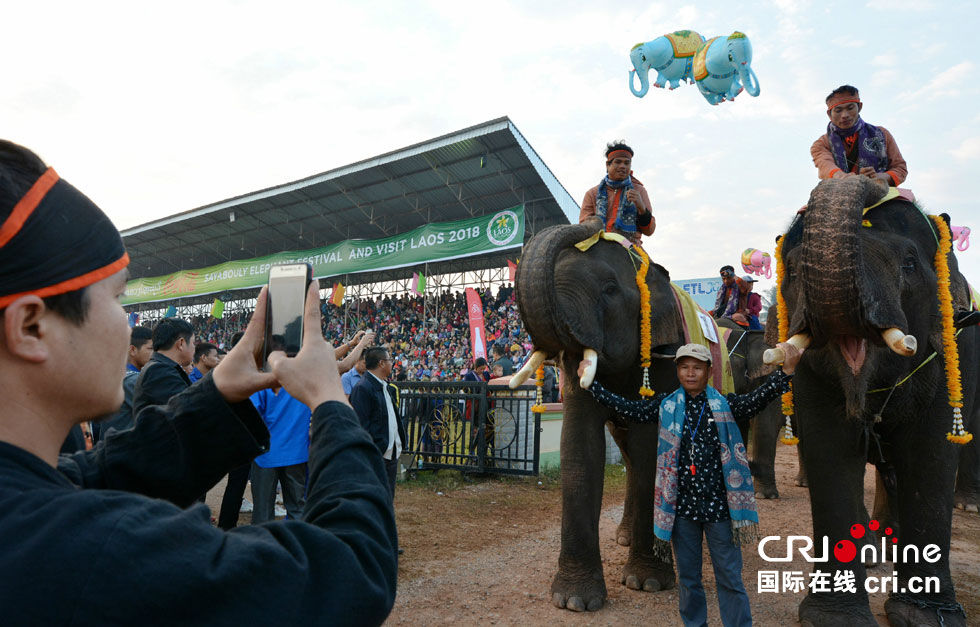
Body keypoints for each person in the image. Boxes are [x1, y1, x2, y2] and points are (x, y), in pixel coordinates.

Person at [0, 140, 396, 623]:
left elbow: (99, 476)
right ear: (31, 327)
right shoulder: (96, 550)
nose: (129, 327)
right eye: (117, 298)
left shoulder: (26, 507)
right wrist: (331, 401)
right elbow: (351, 571)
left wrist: (217, 395)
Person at [578, 342, 802, 627]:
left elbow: (759, 398)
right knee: (688, 579)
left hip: (721, 510)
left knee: (730, 577)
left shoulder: (726, 404)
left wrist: (787, 373)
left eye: (697, 367)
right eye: (684, 367)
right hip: (682, 512)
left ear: (708, 371)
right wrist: (592, 386)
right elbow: (630, 410)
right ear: (678, 371)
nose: (690, 373)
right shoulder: (665, 406)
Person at [810, 85, 907, 186]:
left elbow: (900, 168)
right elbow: (825, 165)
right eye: (838, 110)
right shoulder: (821, 144)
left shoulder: (882, 134)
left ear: (859, 107)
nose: (845, 115)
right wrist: (845, 178)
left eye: (850, 108)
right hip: (840, 193)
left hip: (881, 192)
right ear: (829, 114)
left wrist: (878, 177)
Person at [349, 346, 406, 508]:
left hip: (390, 455)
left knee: (386, 501)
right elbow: (360, 427)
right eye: (390, 361)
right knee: (372, 502)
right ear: (381, 363)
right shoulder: (363, 388)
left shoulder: (384, 386)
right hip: (376, 456)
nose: (392, 364)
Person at [249, 383, 311, 524]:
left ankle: (265, 544)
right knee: (297, 508)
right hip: (296, 453)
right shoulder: (304, 384)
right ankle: (299, 543)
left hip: (266, 455)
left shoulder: (264, 384)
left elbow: (251, 415)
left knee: (262, 512)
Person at [579, 140, 655, 245]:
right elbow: (584, 227)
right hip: (598, 246)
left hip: (630, 246)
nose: (623, 166)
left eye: (627, 163)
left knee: (650, 263)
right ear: (608, 165)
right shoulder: (592, 193)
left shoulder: (639, 190)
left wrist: (641, 207)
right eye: (618, 162)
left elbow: (649, 231)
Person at [94, 325, 153, 442]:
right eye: (150, 349)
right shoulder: (133, 380)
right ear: (132, 350)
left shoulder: (117, 374)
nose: (154, 354)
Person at [132, 317, 195, 418]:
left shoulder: (160, 367)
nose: (194, 348)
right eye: (193, 343)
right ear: (181, 343)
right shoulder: (159, 371)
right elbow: (188, 411)